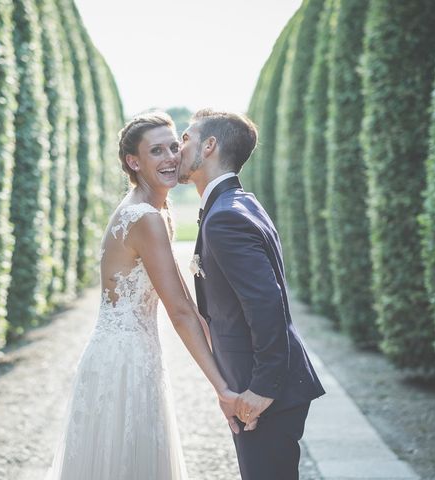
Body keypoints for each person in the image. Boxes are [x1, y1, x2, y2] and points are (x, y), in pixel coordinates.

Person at [45, 111, 239, 480]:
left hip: (133, 353)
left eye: (172, 147)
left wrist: (226, 363)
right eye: (156, 151)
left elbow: (186, 300)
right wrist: (223, 388)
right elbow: (179, 311)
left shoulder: (155, 210)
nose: (170, 158)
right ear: (134, 162)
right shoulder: (144, 218)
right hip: (125, 362)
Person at [178, 109, 326, 480]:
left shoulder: (225, 216)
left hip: (265, 394)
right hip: (258, 386)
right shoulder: (238, 203)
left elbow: (266, 303)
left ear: (209, 145)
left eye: (185, 138)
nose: (177, 148)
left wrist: (262, 388)